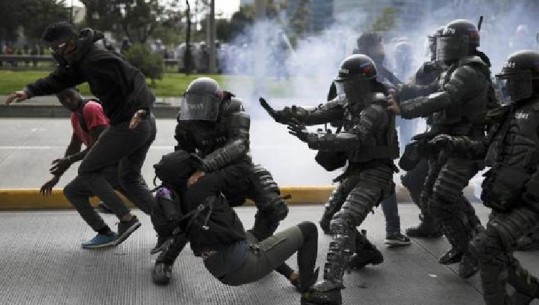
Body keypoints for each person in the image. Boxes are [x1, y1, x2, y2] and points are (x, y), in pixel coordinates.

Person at [5, 21, 157, 246]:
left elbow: (136, 77)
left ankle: (126, 219)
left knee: (88, 169)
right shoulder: (81, 59)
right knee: (127, 178)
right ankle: (171, 226)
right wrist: (29, 91)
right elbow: (59, 78)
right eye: (53, 50)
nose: (58, 54)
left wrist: (142, 108)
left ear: (71, 43)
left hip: (131, 122)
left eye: (59, 48)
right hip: (138, 123)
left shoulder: (96, 58)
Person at [266, 54, 399, 305]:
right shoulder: (350, 100)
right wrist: (285, 114)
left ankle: (332, 286)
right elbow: (317, 112)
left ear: (363, 82)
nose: (345, 90)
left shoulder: (376, 107)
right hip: (355, 170)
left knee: (342, 221)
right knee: (328, 221)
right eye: (343, 85)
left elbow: (355, 137)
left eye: (350, 84)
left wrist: (313, 139)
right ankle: (367, 251)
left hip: (377, 172)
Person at [150, 77, 298, 287]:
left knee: (275, 207)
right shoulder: (186, 118)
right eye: (194, 106)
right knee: (190, 211)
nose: (198, 111)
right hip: (203, 173)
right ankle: (165, 259)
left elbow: (239, 145)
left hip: (237, 169)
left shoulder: (234, 109)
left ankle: (259, 247)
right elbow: (183, 151)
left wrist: (206, 166)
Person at [428, 50, 539, 305]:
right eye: (507, 81)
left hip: (530, 201)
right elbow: (486, 148)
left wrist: (531, 194)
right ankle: (527, 289)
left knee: (486, 247)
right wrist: (452, 143)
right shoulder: (510, 112)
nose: (510, 87)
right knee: (493, 251)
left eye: (516, 81)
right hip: (508, 196)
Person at [387, 19, 491, 279]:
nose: (442, 48)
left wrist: (406, 109)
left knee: (443, 195)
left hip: (466, 142)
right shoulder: (453, 68)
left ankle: (470, 249)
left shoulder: (468, 70)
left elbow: (444, 98)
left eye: (448, 42)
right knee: (438, 197)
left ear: (462, 44)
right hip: (446, 139)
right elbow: (430, 88)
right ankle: (473, 242)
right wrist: (399, 92)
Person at [149, 149, 319, 293]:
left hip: (219, 267)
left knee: (256, 236)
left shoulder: (177, 198)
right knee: (309, 229)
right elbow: (245, 164)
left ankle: (293, 276)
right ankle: (306, 286)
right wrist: (207, 167)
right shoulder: (204, 184)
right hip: (243, 264)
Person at [327, 31, 410, 249]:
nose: (385, 49)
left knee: (356, 181)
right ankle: (390, 231)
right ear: (373, 47)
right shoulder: (372, 71)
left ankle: (333, 222)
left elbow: (333, 99)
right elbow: (401, 90)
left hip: (355, 138)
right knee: (379, 180)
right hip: (371, 139)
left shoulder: (351, 66)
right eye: (381, 44)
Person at [40, 88, 142, 248]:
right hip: (103, 166)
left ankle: (127, 219)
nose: (66, 101)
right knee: (73, 191)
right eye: (61, 99)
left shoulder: (90, 109)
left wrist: (70, 160)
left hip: (112, 165)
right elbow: (74, 145)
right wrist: (57, 175)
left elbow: (100, 144)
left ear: (78, 91)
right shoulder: (76, 115)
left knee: (76, 188)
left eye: (69, 95)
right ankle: (106, 232)